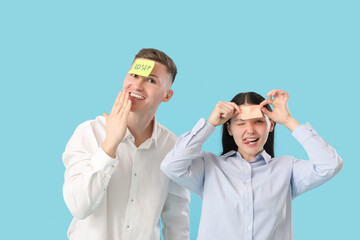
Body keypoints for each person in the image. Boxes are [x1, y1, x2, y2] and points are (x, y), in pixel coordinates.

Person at [161, 89, 343, 240]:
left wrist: (288, 120)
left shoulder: (287, 169)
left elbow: (330, 164)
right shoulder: (209, 166)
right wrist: (210, 124)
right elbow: (171, 165)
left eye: (258, 122)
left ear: (271, 126)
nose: (250, 130)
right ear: (229, 129)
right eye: (240, 123)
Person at [63, 48, 190, 240]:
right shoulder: (88, 133)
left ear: (167, 95)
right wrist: (109, 146)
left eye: (151, 80)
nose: (137, 85)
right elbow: (79, 207)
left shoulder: (173, 147)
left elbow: (177, 222)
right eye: (134, 75)